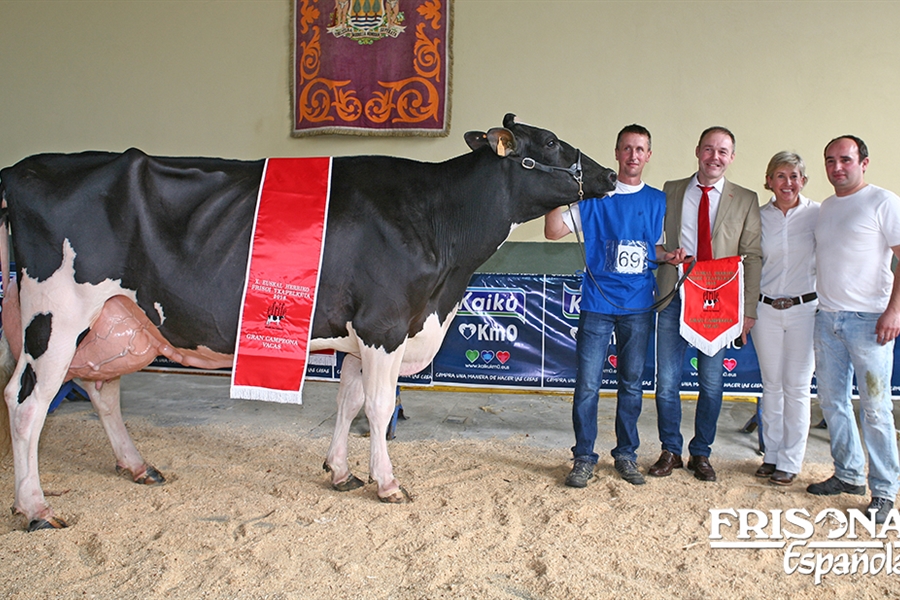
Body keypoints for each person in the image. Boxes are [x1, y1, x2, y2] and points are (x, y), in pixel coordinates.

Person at [544, 124, 685, 487]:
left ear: (648, 155)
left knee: (632, 385)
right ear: (617, 153)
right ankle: (583, 458)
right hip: (597, 304)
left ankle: (625, 455)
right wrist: (555, 192)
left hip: (638, 305)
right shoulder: (594, 199)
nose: (633, 155)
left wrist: (667, 256)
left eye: (640, 149)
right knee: (587, 385)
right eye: (627, 148)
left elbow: (647, 247)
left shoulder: (657, 200)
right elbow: (554, 231)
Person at [651, 127, 762, 482]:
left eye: (723, 151)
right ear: (697, 151)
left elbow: (753, 256)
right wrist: (665, 256)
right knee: (666, 382)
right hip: (674, 297)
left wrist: (748, 310)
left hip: (717, 305)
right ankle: (670, 449)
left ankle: (701, 452)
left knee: (711, 384)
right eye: (709, 149)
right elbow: (654, 242)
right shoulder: (670, 191)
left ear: (731, 157)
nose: (715, 156)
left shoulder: (745, 199)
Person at [806, 135, 900, 524]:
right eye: (830, 160)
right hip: (827, 318)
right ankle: (847, 475)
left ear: (864, 162)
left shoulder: (884, 202)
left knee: (876, 410)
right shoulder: (826, 207)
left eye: (845, 159)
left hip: (870, 322)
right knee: (833, 403)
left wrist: (894, 311)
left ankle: (884, 490)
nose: (837, 167)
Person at [752, 152, 819, 486]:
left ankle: (791, 460)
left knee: (797, 387)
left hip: (804, 310)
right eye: (780, 176)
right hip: (765, 310)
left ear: (803, 181)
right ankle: (772, 455)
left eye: (794, 176)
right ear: (769, 181)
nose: (787, 183)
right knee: (772, 385)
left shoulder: (818, 214)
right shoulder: (759, 217)